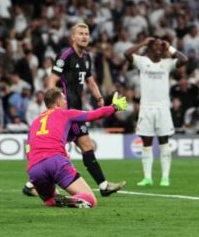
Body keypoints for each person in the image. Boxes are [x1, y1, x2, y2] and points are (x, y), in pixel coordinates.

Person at [23, 23, 125, 197]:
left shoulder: (86, 57)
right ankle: (103, 185)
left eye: (86, 33)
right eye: (80, 33)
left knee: (84, 145)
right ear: (73, 37)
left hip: (75, 110)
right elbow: (51, 81)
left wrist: (99, 98)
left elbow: (90, 81)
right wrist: (54, 108)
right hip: (66, 112)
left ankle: (103, 185)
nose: (84, 36)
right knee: (80, 145)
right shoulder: (65, 55)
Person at [27, 88, 127, 208]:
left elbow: (28, 150)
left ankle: (60, 200)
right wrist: (114, 107)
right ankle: (72, 199)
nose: (66, 102)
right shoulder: (66, 113)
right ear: (58, 102)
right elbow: (95, 114)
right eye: (64, 99)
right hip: (56, 162)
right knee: (90, 200)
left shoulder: (35, 122)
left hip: (35, 168)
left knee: (50, 201)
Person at [124, 37, 188, 186]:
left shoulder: (167, 64)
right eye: (156, 46)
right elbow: (126, 54)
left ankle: (165, 177)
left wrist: (170, 48)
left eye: (161, 46)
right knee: (146, 143)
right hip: (146, 108)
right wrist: (143, 43)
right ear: (151, 48)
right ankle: (147, 177)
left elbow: (183, 60)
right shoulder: (142, 61)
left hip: (163, 109)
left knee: (164, 143)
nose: (159, 48)